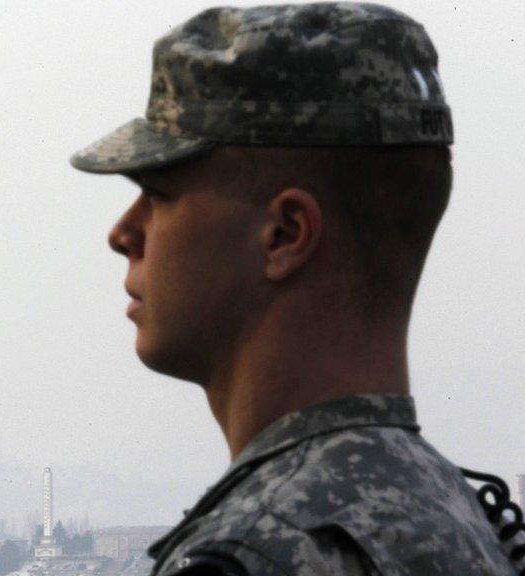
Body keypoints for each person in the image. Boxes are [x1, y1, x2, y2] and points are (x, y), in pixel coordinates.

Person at [69, 3, 522, 575]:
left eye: (158, 194)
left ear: (284, 234)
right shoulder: (459, 521)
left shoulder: (255, 552)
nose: (123, 233)